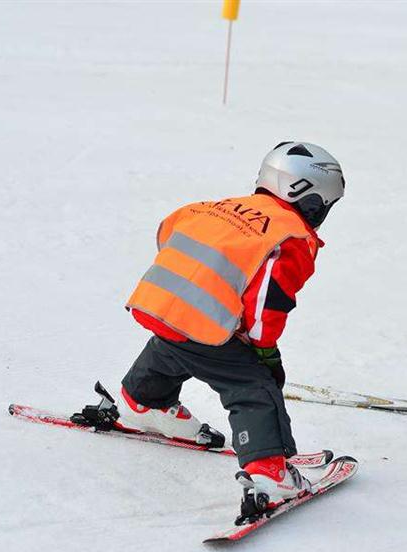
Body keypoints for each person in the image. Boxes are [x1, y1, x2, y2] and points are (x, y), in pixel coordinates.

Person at [115, 141, 345, 509]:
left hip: (155, 302)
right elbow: (269, 302)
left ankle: (144, 399)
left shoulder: (216, 206)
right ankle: (269, 469)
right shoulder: (292, 237)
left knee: (176, 341)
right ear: (310, 199)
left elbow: (169, 229)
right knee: (252, 384)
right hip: (202, 321)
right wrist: (263, 351)